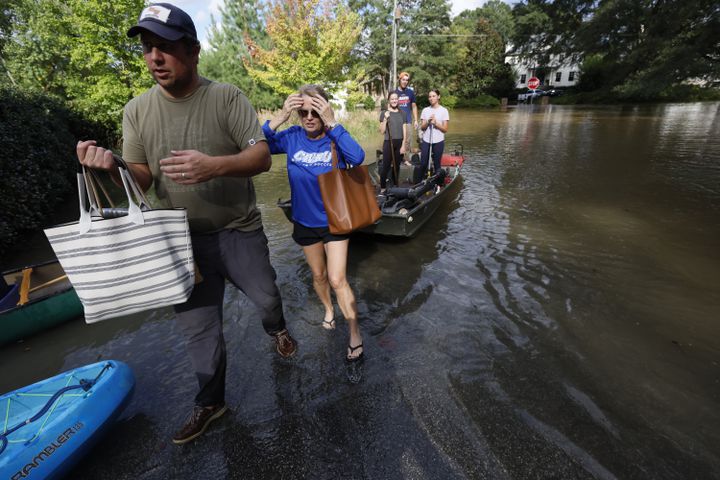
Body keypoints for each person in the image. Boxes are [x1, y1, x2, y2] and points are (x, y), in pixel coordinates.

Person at [75, 3, 298, 445]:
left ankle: (277, 329)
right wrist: (111, 166)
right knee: (199, 331)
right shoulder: (136, 110)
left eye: (166, 47)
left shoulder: (226, 97)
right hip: (177, 243)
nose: (155, 57)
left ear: (193, 51)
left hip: (239, 229)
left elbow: (259, 155)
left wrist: (213, 166)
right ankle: (211, 402)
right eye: (148, 48)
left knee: (268, 297)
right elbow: (141, 175)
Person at [263, 85, 365, 367]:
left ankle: (355, 333)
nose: (309, 117)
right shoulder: (292, 137)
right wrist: (281, 116)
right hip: (304, 221)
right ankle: (329, 310)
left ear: (324, 110)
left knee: (337, 279)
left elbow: (357, 158)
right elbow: (256, 145)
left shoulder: (334, 135)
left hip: (334, 220)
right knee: (319, 277)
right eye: (303, 111)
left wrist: (333, 122)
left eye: (315, 111)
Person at [419, 89, 450, 179]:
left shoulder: (444, 111)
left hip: (438, 141)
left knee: (437, 164)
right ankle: (420, 182)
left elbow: (445, 129)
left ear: (438, 97)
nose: (431, 98)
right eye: (430, 96)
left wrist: (436, 123)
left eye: (433, 96)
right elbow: (422, 128)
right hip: (426, 140)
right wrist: (428, 122)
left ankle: (438, 184)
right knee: (423, 163)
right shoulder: (425, 110)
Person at [379, 92, 406, 191]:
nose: (394, 101)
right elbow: (382, 131)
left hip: (399, 143)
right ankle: (382, 188)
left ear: (398, 100)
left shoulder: (402, 113)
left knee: (397, 166)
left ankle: (395, 186)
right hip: (388, 141)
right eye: (392, 99)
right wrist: (386, 118)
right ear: (389, 100)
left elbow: (404, 129)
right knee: (385, 166)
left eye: (396, 99)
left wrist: (404, 145)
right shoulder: (384, 113)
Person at [395, 71, 418, 158]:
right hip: (397, 121)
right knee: (397, 140)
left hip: (408, 121)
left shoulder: (410, 92)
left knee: (407, 141)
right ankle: (397, 158)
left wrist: (415, 120)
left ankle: (406, 160)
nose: (405, 82)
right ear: (399, 80)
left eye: (407, 80)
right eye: (403, 80)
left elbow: (414, 106)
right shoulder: (395, 93)